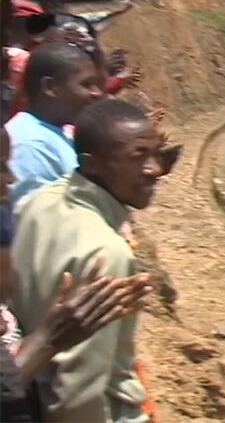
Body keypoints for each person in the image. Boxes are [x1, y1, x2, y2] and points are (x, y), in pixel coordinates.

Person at [11, 99, 169, 423]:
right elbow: (76, 396)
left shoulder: (39, 201)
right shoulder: (107, 254)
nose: (155, 169)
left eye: (156, 154)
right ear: (92, 164)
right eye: (138, 156)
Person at [5, 43, 104, 205]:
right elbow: (34, 216)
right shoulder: (31, 146)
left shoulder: (59, 133)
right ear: (50, 87)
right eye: (86, 84)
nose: (97, 93)